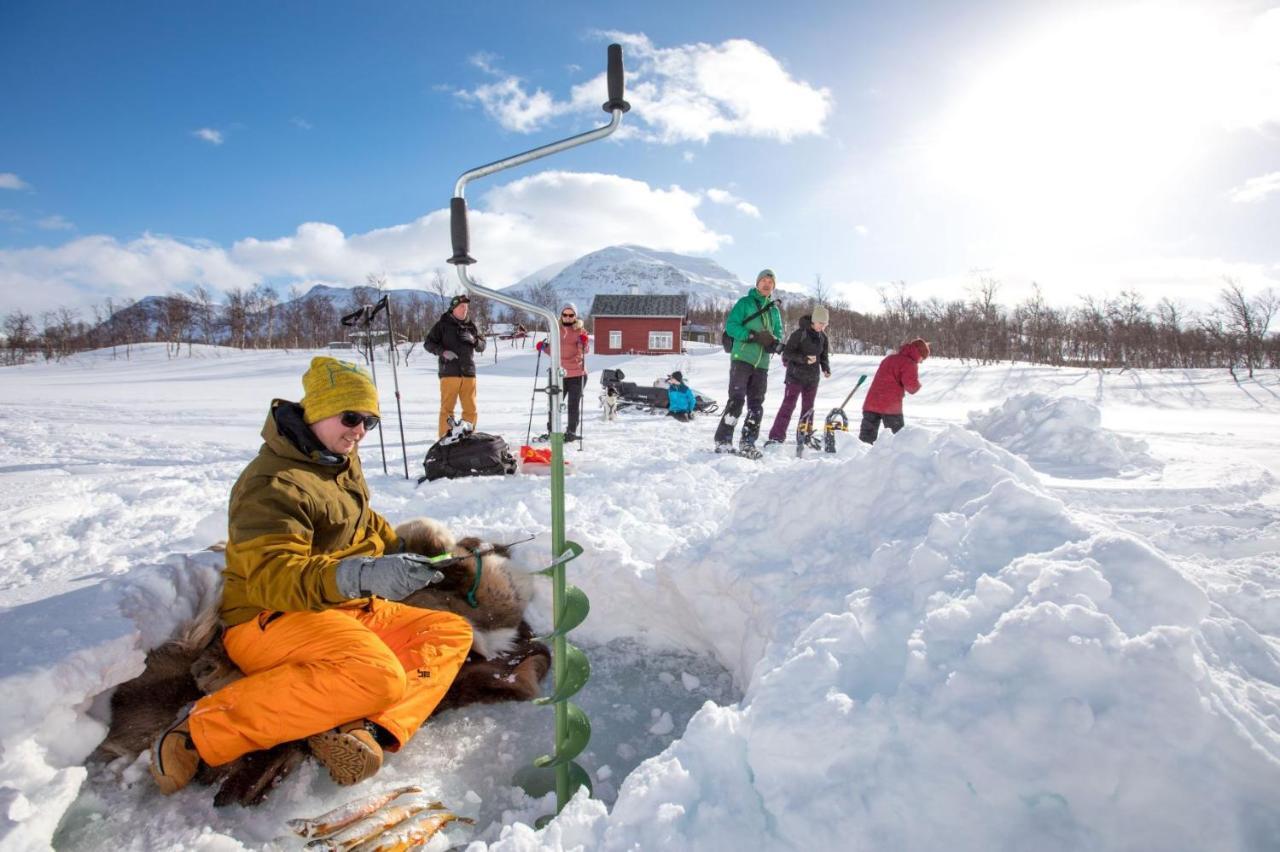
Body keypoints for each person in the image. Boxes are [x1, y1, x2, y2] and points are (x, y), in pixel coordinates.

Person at [150, 357, 473, 794]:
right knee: (376, 674)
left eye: (369, 422)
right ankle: (201, 730)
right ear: (316, 411)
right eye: (351, 417)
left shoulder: (336, 459)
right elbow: (275, 577)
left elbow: (361, 523)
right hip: (270, 616)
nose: (359, 430)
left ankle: (365, 730)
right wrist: (363, 576)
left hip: (337, 607)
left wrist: (408, 555)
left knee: (448, 630)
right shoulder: (272, 483)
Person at [714, 269, 784, 458]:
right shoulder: (744, 303)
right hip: (742, 358)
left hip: (762, 363)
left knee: (756, 405)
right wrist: (752, 336)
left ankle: (748, 443)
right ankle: (723, 441)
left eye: (771, 282)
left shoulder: (774, 310)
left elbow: (778, 332)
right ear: (757, 283)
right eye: (764, 280)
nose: (767, 284)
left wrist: (773, 343)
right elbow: (731, 326)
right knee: (736, 400)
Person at [764, 305, 831, 447]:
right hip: (795, 377)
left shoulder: (823, 337)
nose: (822, 327)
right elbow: (787, 353)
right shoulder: (799, 334)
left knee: (808, 409)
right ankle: (776, 437)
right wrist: (804, 359)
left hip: (812, 379)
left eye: (825, 324)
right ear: (814, 321)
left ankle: (805, 435)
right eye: (820, 323)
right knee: (788, 406)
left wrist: (826, 368)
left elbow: (823, 356)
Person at [424, 294, 486, 438]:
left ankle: (468, 437)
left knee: (470, 409)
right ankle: (445, 439)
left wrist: (475, 341)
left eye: (466, 307)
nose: (465, 310)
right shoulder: (442, 325)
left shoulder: (471, 326)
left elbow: (482, 346)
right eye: (461, 307)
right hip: (449, 373)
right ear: (453, 309)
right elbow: (428, 343)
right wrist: (443, 352)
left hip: (469, 373)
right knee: (447, 409)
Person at [535, 303, 590, 441]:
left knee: (573, 405)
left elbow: (584, 351)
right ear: (561, 316)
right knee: (554, 404)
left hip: (576, 374)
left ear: (575, 316)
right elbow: (554, 351)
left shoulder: (580, 331)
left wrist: (584, 343)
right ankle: (552, 432)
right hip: (558, 374)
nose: (568, 317)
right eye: (565, 315)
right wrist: (544, 347)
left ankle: (571, 432)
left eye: (571, 315)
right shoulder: (555, 329)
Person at [860, 338, 930, 444]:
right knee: (898, 439)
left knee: (865, 440)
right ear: (919, 353)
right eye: (923, 358)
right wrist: (918, 385)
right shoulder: (909, 363)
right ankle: (897, 460)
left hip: (871, 402)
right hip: (890, 406)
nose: (921, 361)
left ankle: (860, 459)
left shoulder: (889, 358)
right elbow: (911, 387)